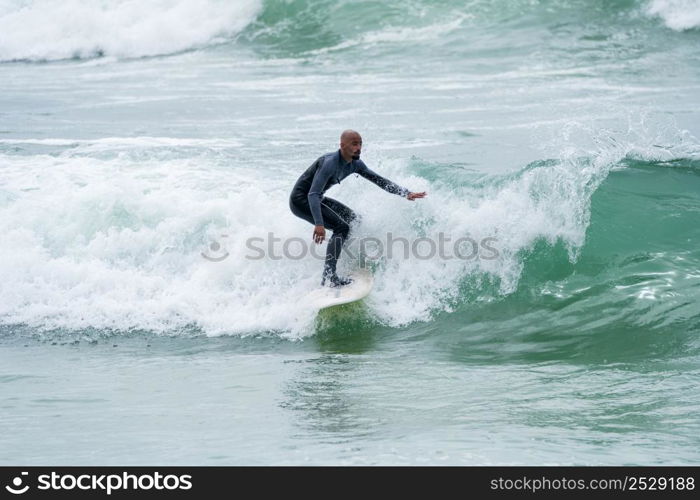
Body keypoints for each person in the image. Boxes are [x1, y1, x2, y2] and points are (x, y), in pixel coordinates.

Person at [289, 130, 427, 287]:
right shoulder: (329, 163)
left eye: (360, 143)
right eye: (354, 144)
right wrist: (319, 224)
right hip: (301, 201)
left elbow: (379, 180)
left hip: (316, 199)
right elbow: (312, 194)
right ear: (342, 145)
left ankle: (340, 258)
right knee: (341, 227)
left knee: (354, 219)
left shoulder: (355, 164)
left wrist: (406, 193)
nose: (359, 147)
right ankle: (329, 276)